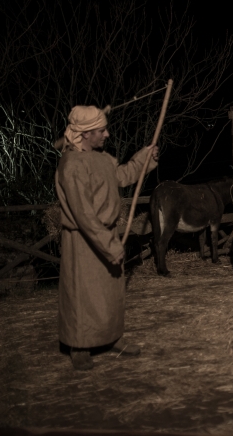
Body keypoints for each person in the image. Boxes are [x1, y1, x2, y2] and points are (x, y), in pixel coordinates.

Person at [55, 105, 159, 370]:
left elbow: (122, 175)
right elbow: (83, 214)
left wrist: (143, 158)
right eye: (101, 130)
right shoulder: (72, 165)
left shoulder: (101, 159)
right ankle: (79, 345)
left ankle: (112, 337)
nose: (107, 134)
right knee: (83, 293)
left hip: (106, 234)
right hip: (84, 240)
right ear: (86, 133)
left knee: (110, 292)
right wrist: (110, 244)